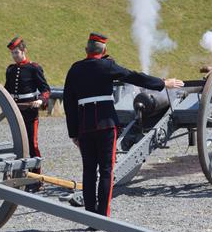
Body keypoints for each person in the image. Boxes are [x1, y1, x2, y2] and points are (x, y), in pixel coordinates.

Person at [63, 32, 184, 218]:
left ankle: (89, 213)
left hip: (85, 127)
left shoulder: (74, 69)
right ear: (104, 50)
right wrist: (163, 83)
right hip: (106, 125)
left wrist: (74, 133)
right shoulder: (107, 66)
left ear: (86, 50)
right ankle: (102, 215)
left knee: (88, 171)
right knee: (106, 170)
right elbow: (133, 77)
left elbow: (69, 104)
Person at [5, 36, 50, 192]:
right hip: (16, 111)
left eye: (17, 52)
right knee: (18, 145)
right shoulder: (10, 70)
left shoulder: (34, 68)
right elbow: (6, 91)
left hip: (30, 111)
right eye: (13, 54)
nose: (15, 56)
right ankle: (20, 177)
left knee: (32, 145)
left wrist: (40, 100)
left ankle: (36, 180)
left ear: (24, 51)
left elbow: (45, 90)